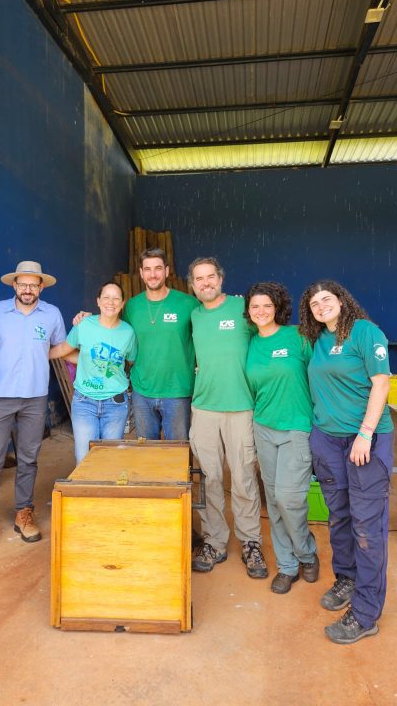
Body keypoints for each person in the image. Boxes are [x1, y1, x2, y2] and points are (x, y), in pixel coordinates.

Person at [298, 280, 394, 645]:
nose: (321, 306)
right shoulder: (316, 341)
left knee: (367, 526)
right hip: (327, 440)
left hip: (365, 440)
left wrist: (366, 433)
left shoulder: (365, 332)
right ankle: (347, 578)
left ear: (341, 300)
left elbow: (381, 384)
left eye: (327, 299)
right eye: (314, 303)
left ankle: (367, 612)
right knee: (339, 515)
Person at [0, 261, 66, 552]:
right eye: (22, 284)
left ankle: (24, 512)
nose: (27, 289)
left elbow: (61, 347)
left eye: (33, 284)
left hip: (35, 397)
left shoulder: (52, 314)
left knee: (29, 457)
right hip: (0, 395)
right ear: (14, 285)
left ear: (41, 287)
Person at [188, 257, 267, 579]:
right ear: (192, 285)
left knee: (244, 477)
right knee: (209, 479)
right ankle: (215, 541)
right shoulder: (193, 316)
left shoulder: (243, 308)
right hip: (204, 407)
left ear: (221, 278)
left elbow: (269, 335)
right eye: (199, 279)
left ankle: (250, 542)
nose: (205, 283)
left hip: (241, 407)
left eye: (210, 277)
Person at [244, 282, 319, 594]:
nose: (261, 311)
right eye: (255, 306)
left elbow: (320, 376)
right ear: (248, 311)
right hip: (263, 426)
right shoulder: (249, 343)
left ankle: (306, 552)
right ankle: (287, 566)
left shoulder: (298, 337)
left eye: (267, 306)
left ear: (277, 308)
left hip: (296, 427)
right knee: (273, 500)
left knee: (290, 498)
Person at [51, 282, 137, 463]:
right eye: (106, 297)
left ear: (122, 304)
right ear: (98, 301)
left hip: (116, 402)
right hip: (84, 402)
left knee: (110, 458)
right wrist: (40, 355)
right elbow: (64, 350)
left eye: (116, 298)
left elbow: (130, 361)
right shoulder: (84, 325)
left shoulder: (128, 332)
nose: (111, 302)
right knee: (84, 459)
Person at [122, 248, 198, 440]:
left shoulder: (188, 304)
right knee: (147, 453)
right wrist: (86, 319)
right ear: (141, 273)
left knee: (178, 452)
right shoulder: (132, 306)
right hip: (142, 390)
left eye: (158, 268)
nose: (153, 274)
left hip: (177, 390)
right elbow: (113, 329)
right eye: (147, 269)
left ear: (166, 271)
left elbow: (207, 335)